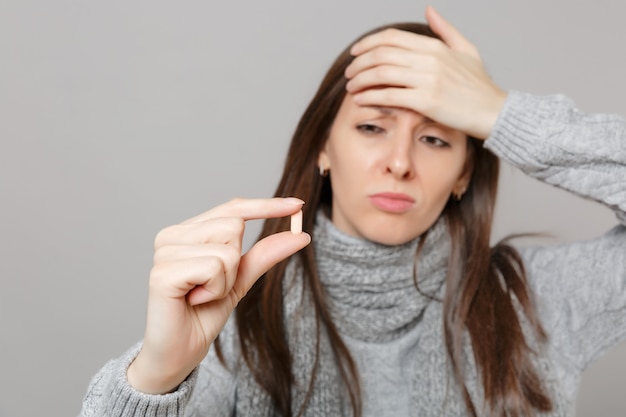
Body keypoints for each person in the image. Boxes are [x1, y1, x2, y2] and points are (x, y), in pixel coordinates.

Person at [80, 6, 626, 417]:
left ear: (465, 173)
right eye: (371, 127)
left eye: (435, 138)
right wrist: (157, 374)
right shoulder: (236, 317)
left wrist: (499, 112)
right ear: (323, 148)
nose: (399, 162)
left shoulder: (542, 300)